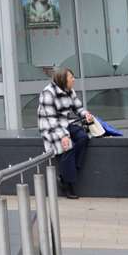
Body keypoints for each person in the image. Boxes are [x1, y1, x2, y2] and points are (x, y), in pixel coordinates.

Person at [36, 67, 94, 199]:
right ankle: (67, 184)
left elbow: (78, 108)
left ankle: (70, 171)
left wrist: (86, 115)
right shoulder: (48, 93)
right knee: (68, 146)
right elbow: (51, 120)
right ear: (63, 80)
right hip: (50, 127)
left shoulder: (69, 91)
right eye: (71, 77)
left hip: (65, 123)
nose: (73, 79)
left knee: (83, 137)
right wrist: (63, 136)